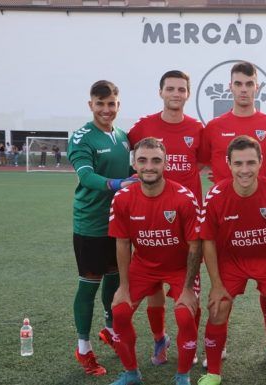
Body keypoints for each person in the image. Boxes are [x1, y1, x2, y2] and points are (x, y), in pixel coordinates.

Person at [201, 60, 266, 368]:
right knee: (221, 288)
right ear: (230, 87)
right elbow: (202, 163)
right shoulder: (213, 127)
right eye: (239, 84)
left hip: (261, 217)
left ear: (257, 88)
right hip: (226, 219)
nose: (244, 89)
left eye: (250, 84)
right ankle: (216, 348)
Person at [198, 136, 266, 385]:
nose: (244, 170)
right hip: (232, 260)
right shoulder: (216, 195)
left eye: (251, 163)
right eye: (238, 163)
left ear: (261, 162)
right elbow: (207, 241)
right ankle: (214, 374)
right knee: (217, 307)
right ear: (228, 164)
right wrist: (216, 284)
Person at [127, 70, 205, 366]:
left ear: (188, 93)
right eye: (170, 88)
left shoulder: (197, 128)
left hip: (186, 221)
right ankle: (160, 340)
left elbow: (209, 158)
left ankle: (190, 342)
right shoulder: (143, 126)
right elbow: (128, 147)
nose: (175, 93)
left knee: (190, 285)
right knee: (153, 285)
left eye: (181, 89)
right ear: (160, 92)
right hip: (149, 218)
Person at [108, 137, 201, 385]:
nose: (149, 166)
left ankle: (182, 375)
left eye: (156, 160)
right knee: (119, 312)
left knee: (184, 316)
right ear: (134, 165)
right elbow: (122, 242)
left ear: (166, 163)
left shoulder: (183, 198)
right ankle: (132, 372)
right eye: (143, 160)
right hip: (143, 265)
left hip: (180, 267)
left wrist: (190, 288)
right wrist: (124, 287)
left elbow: (195, 245)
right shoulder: (123, 198)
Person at [67, 80, 135, 376]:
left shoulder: (122, 136)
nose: (106, 110)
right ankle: (83, 348)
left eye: (111, 104)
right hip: (91, 224)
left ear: (118, 105)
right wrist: (117, 184)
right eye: (100, 104)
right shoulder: (82, 137)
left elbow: (129, 170)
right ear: (91, 105)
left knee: (115, 279)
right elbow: (86, 177)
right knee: (89, 283)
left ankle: (110, 330)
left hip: (118, 222)